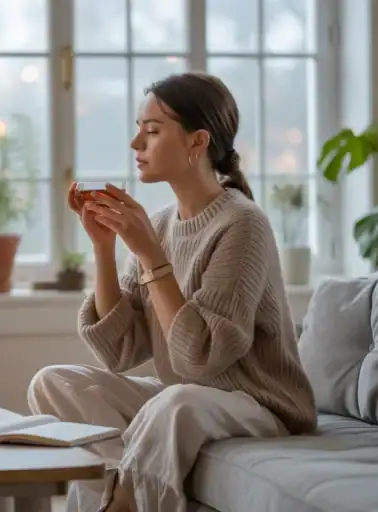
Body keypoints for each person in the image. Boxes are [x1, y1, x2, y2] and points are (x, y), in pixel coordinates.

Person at [27, 71, 317, 512]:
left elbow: (200, 360)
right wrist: (104, 249)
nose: (135, 144)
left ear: (197, 143)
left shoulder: (243, 224)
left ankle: (122, 503)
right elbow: (119, 350)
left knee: (176, 402)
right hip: (188, 397)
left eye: (152, 130)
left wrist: (150, 255)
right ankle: (114, 495)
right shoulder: (159, 224)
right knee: (53, 382)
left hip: (259, 403)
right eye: (138, 129)